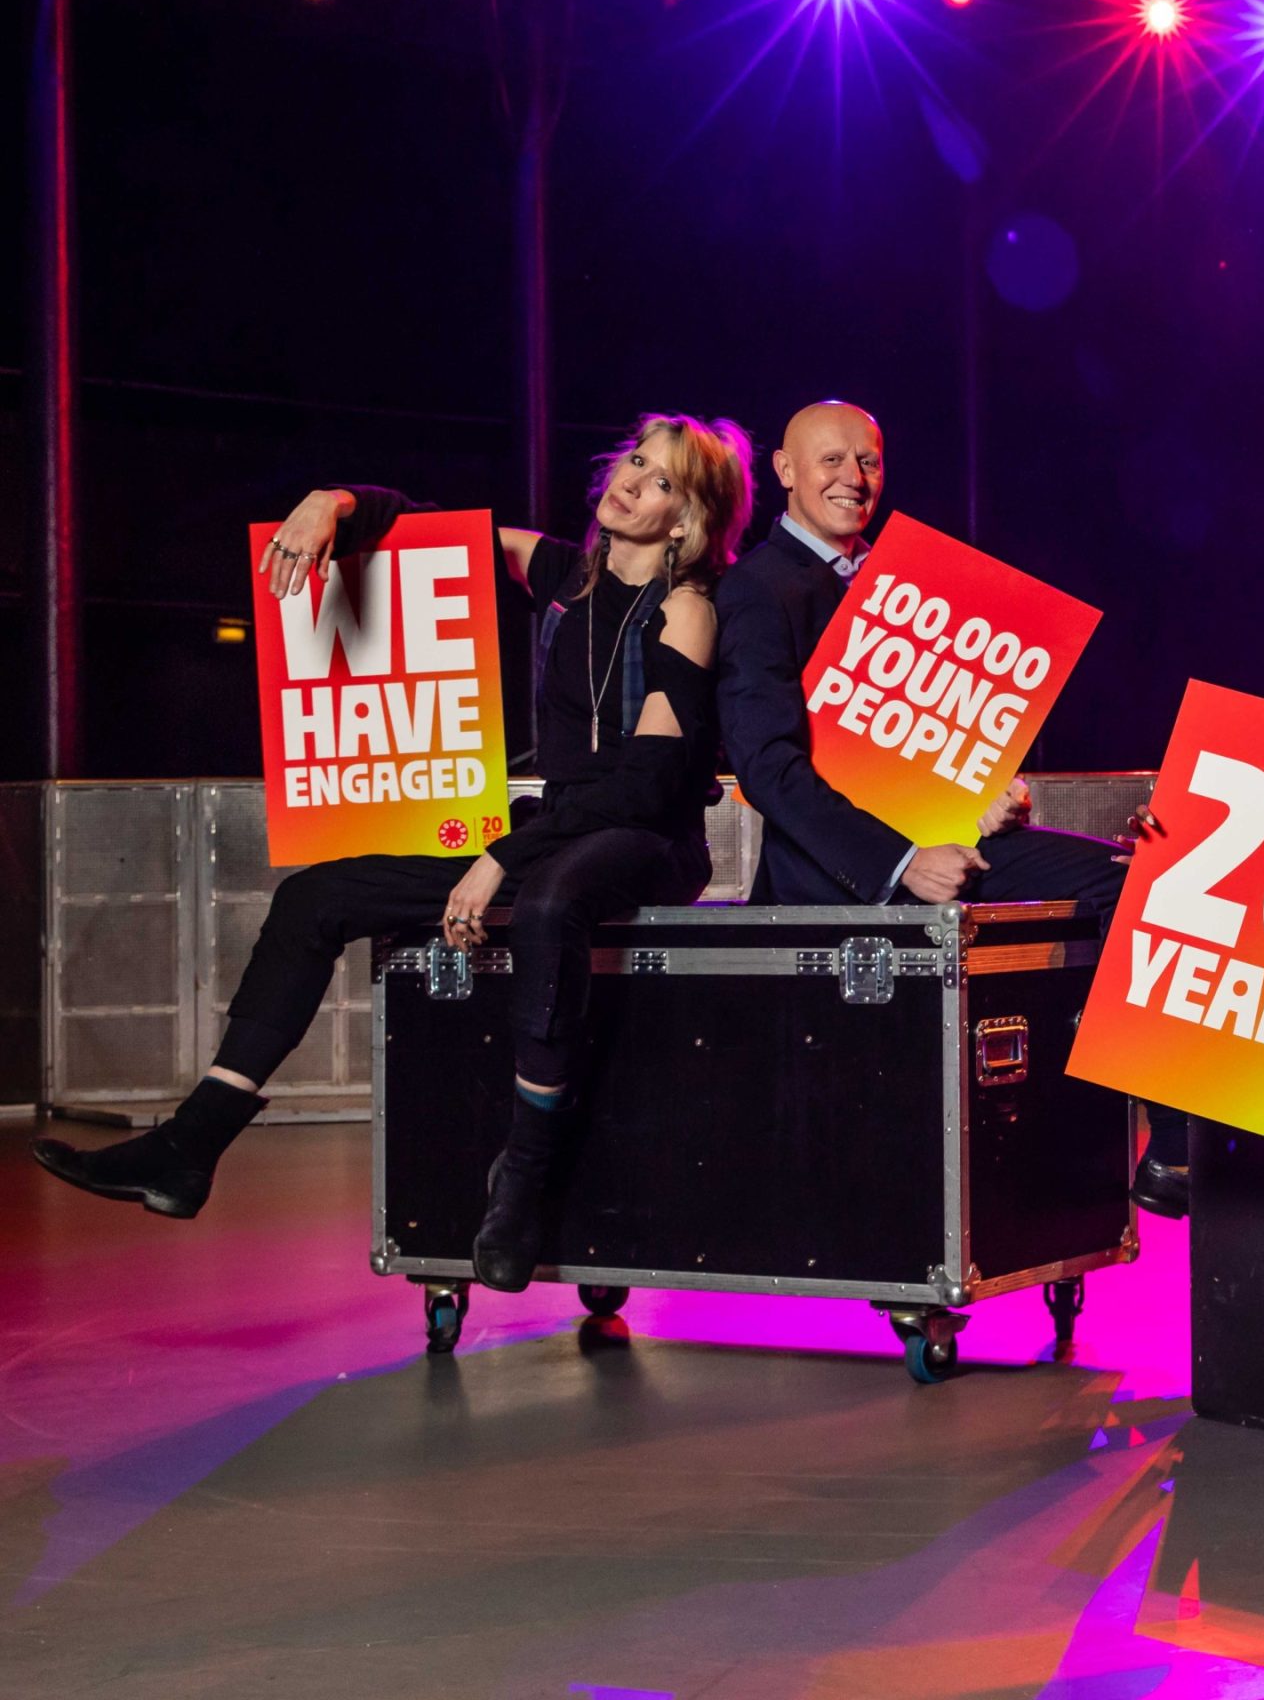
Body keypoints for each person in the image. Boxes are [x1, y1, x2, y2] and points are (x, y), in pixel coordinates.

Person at [34, 414, 755, 1292]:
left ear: (686, 522)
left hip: (648, 842)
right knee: (314, 901)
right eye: (635, 462)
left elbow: (646, 782)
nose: (634, 481)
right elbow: (422, 525)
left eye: (664, 481)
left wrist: (501, 856)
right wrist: (326, 503)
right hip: (554, 837)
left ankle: (523, 1177)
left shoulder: (689, 611)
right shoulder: (560, 572)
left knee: (547, 901)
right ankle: (190, 1145)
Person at [713, 400, 1190, 1215]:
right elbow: (769, 770)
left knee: (1145, 878)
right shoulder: (758, 590)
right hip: (839, 876)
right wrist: (902, 862)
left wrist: (983, 800)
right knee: (1126, 887)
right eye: (829, 461)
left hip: (943, 845)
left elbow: (914, 748)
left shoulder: (902, 582)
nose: (852, 479)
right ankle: (1159, 1141)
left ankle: (1157, 1140)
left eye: (867, 461)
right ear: (784, 473)